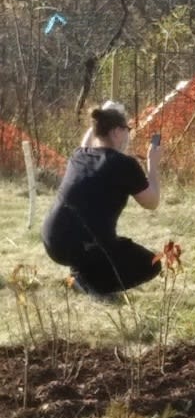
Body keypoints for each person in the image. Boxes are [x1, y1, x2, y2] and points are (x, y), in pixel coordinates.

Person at [42, 104, 162, 298]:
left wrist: (102, 115)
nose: (128, 135)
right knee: (153, 263)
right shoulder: (124, 164)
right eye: (127, 129)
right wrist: (152, 164)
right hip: (83, 246)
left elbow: (88, 140)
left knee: (106, 241)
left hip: (52, 241)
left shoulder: (79, 155)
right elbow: (152, 202)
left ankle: (80, 274)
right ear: (116, 132)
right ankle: (91, 284)